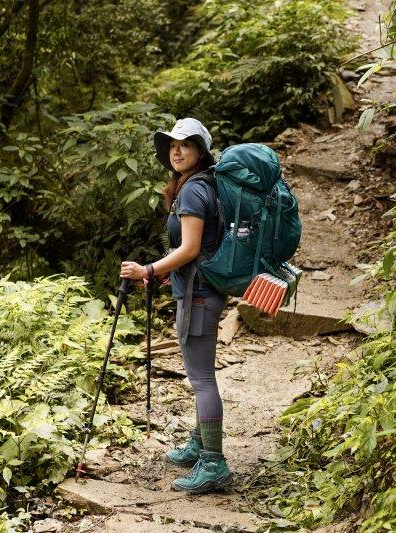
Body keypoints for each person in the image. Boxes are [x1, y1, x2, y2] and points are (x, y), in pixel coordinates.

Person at [119, 117, 233, 494]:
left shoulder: (193, 191)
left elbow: (190, 249)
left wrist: (147, 270)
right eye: (172, 145)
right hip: (202, 287)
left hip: (199, 293)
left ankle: (214, 463)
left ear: (200, 151)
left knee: (201, 379)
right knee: (200, 375)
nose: (177, 151)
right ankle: (200, 444)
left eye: (186, 144)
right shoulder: (205, 184)